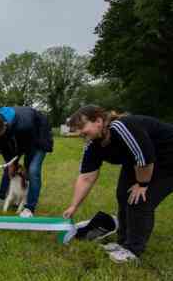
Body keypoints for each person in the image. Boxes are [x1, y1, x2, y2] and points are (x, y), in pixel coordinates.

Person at [63, 105, 173, 263]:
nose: (80, 132)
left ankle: (133, 250)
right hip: (139, 162)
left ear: (99, 121)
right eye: (77, 129)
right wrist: (73, 206)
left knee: (139, 199)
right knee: (123, 195)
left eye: (82, 127)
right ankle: (123, 242)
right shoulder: (92, 144)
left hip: (166, 159)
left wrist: (142, 184)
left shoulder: (122, 128)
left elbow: (146, 159)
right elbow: (86, 177)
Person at [0, 106, 53, 218]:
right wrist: (11, 164)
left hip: (39, 136)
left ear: (4, 126)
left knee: (33, 170)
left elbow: (29, 149)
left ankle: (29, 207)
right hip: (18, 137)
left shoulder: (25, 125)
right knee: (8, 167)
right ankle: (0, 197)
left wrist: (24, 167)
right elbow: (4, 146)